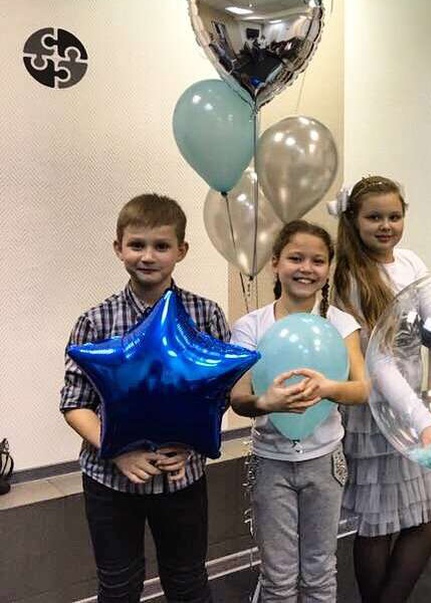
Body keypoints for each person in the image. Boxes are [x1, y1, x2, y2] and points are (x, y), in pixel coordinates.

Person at [60, 193, 230, 602]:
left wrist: (190, 446)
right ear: (119, 248)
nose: (148, 256)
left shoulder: (205, 314)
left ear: (181, 250)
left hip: (182, 477)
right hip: (110, 481)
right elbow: (74, 402)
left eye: (161, 246)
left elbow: (219, 393)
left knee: (188, 582)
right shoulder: (95, 321)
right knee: (118, 587)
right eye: (137, 245)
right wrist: (116, 450)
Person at [333, 175, 431, 603]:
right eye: (374, 217)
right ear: (354, 219)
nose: (386, 226)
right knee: (378, 523)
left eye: (394, 216)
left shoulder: (409, 260)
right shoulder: (350, 275)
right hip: (377, 407)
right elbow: (378, 362)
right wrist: (423, 422)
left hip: (411, 403)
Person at [229, 219, 368, 603]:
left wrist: (328, 388)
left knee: (320, 572)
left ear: (328, 268)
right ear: (275, 263)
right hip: (270, 463)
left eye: (317, 261)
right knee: (278, 576)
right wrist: (265, 403)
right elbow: (238, 397)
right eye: (295, 258)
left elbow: (362, 389)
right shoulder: (250, 326)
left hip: (325, 463)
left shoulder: (340, 323)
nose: (306, 268)